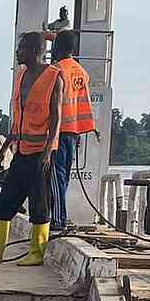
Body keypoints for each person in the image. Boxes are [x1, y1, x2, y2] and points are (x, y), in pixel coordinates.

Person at [0, 37, 63, 267]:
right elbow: (18, 119)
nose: (17, 52)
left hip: (41, 154)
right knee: (5, 201)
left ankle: (36, 253)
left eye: (21, 48)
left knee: (39, 205)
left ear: (35, 50)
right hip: (20, 151)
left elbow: (56, 117)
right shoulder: (21, 75)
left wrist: (48, 151)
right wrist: (4, 149)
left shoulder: (54, 77)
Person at [48, 29, 94, 232]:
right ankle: (58, 214)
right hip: (75, 131)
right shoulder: (81, 72)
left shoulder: (56, 70)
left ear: (56, 48)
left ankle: (58, 218)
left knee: (56, 175)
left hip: (58, 130)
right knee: (64, 176)